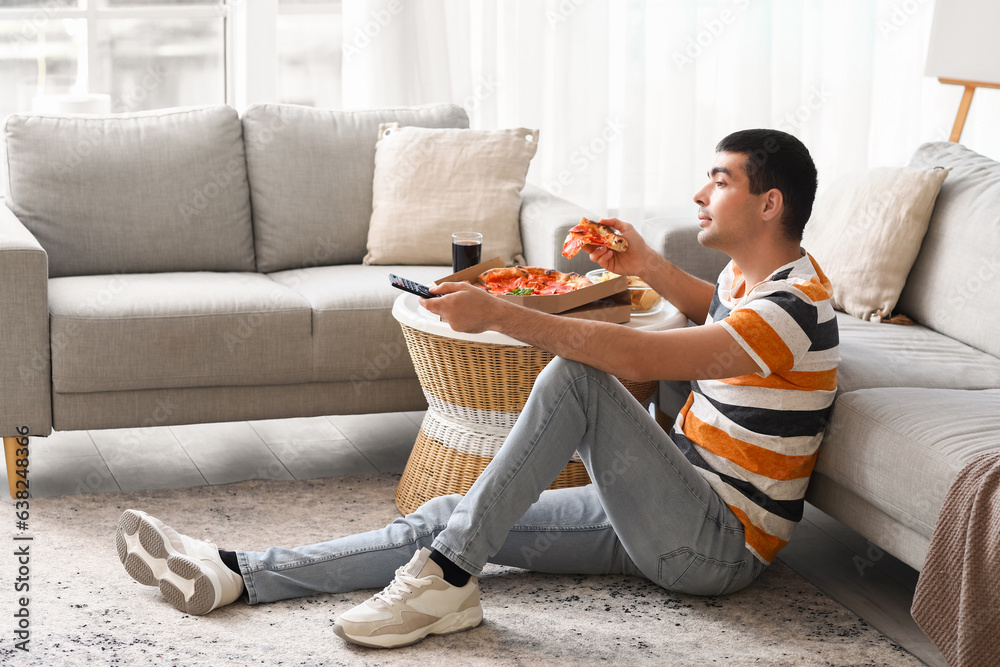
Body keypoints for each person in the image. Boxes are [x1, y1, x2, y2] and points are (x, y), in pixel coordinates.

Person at [114, 128, 838, 649]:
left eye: (720, 179)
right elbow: (707, 309)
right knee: (452, 514)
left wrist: (501, 311)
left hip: (716, 546)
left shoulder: (791, 309)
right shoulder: (751, 283)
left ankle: (447, 579)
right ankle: (237, 572)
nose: (699, 192)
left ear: (769, 203)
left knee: (579, 376)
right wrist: (643, 260)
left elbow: (640, 355)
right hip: (666, 505)